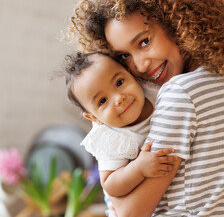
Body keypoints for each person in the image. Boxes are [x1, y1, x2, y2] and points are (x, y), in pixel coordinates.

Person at [68, 0, 224, 216]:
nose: (140, 66)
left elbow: (128, 213)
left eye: (144, 41)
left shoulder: (179, 94)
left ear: (174, 22)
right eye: (124, 57)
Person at [64, 51, 178, 204]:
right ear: (93, 118)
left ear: (131, 74)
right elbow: (110, 185)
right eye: (103, 100)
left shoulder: (154, 89)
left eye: (119, 83)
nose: (119, 98)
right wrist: (138, 168)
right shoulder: (112, 139)